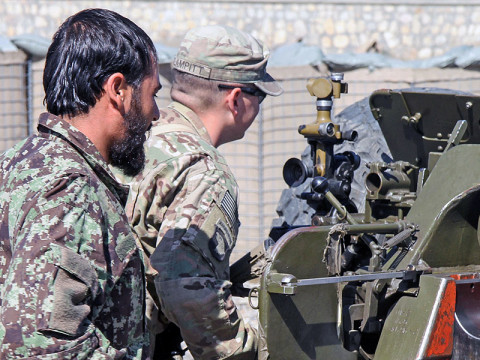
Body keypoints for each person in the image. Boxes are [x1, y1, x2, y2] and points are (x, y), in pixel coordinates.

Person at [0, 8, 161, 359]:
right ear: (118, 89)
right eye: (153, 93)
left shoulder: (20, 160)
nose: (156, 113)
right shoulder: (73, 188)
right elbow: (36, 345)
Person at [123, 25, 283, 359]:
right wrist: (251, 352)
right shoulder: (206, 171)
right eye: (260, 95)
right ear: (236, 99)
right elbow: (187, 291)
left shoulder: (135, 134)